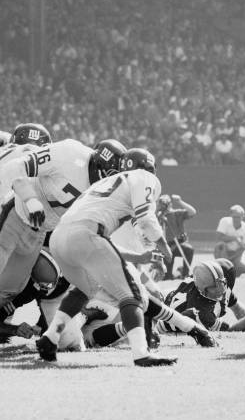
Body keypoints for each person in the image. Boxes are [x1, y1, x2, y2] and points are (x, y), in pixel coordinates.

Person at [35, 148, 184, 367]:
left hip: (60, 236)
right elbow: (145, 216)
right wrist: (163, 245)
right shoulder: (144, 177)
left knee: (83, 290)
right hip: (87, 233)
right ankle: (142, 353)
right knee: (131, 294)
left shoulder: (101, 184)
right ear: (150, 168)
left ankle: (50, 338)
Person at [0, 138, 126, 309]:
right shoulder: (69, 153)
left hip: (40, 233)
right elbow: (14, 167)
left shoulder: (107, 194)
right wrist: (30, 199)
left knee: (9, 289)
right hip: (15, 214)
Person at [161, 258, 245, 333]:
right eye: (215, 286)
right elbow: (231, 331)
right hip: (160, 316)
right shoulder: (201, 308)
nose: (220, 290)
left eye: (222, 284)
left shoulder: (214, 286)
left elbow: (238, 309)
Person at [157, 193, 196, 279]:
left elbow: (193, 212)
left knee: (189, 250)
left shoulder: (176, 213)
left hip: (179, 244)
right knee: (167, 277)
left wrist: (180, 201)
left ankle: (185, 274)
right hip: (165, 248)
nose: (163, 206)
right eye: (161, 204)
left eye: (164, 204)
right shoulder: (157, 217)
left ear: (170, 204)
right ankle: (175, 273)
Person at [214, 205, 245, 277]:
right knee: (220, 245)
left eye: (238, 217)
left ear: (243, 216)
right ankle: (223, 268)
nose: (236, 219)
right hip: (224, 251)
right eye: (234, 217)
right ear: (231, 215)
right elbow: (219, 237)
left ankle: (235, 271)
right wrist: (235, 238)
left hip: (238, 253)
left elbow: (244, 247)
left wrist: (233, 258)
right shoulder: (224, 221)